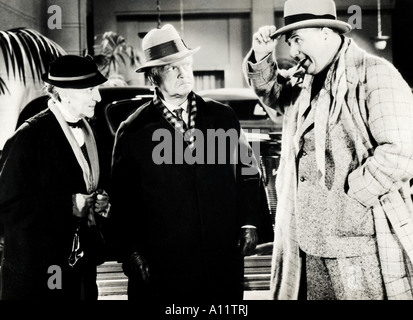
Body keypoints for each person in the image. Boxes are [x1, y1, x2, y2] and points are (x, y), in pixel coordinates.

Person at [243, 0, 413, 300]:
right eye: (290, 41)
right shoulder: (305, 77)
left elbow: (400, 152)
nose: (293, 51)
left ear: (324, 31)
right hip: (306, 243)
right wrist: (261, 57)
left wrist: (351, 197)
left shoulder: (375, 74)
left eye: (297, 40)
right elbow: (273, 95)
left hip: (358, 245)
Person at [110, 24, 261, 301]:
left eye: (186, 64)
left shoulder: (223, 117)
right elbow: (122, 201)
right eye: (171, 68)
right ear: (154, 77)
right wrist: (132, 251)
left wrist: (250, 222)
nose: (183, 73)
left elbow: (249, 171)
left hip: (220, 261)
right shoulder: (133, 131)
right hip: (164, 268)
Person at [0, 55, 110, 300]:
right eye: (91, 89)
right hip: (39, 274)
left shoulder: (92, 132)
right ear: (65, 92)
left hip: (79, 269)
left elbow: (91, 183)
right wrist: (69, 205)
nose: (98, 97)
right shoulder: (29, 137)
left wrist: (101, 201)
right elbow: (8, 205)